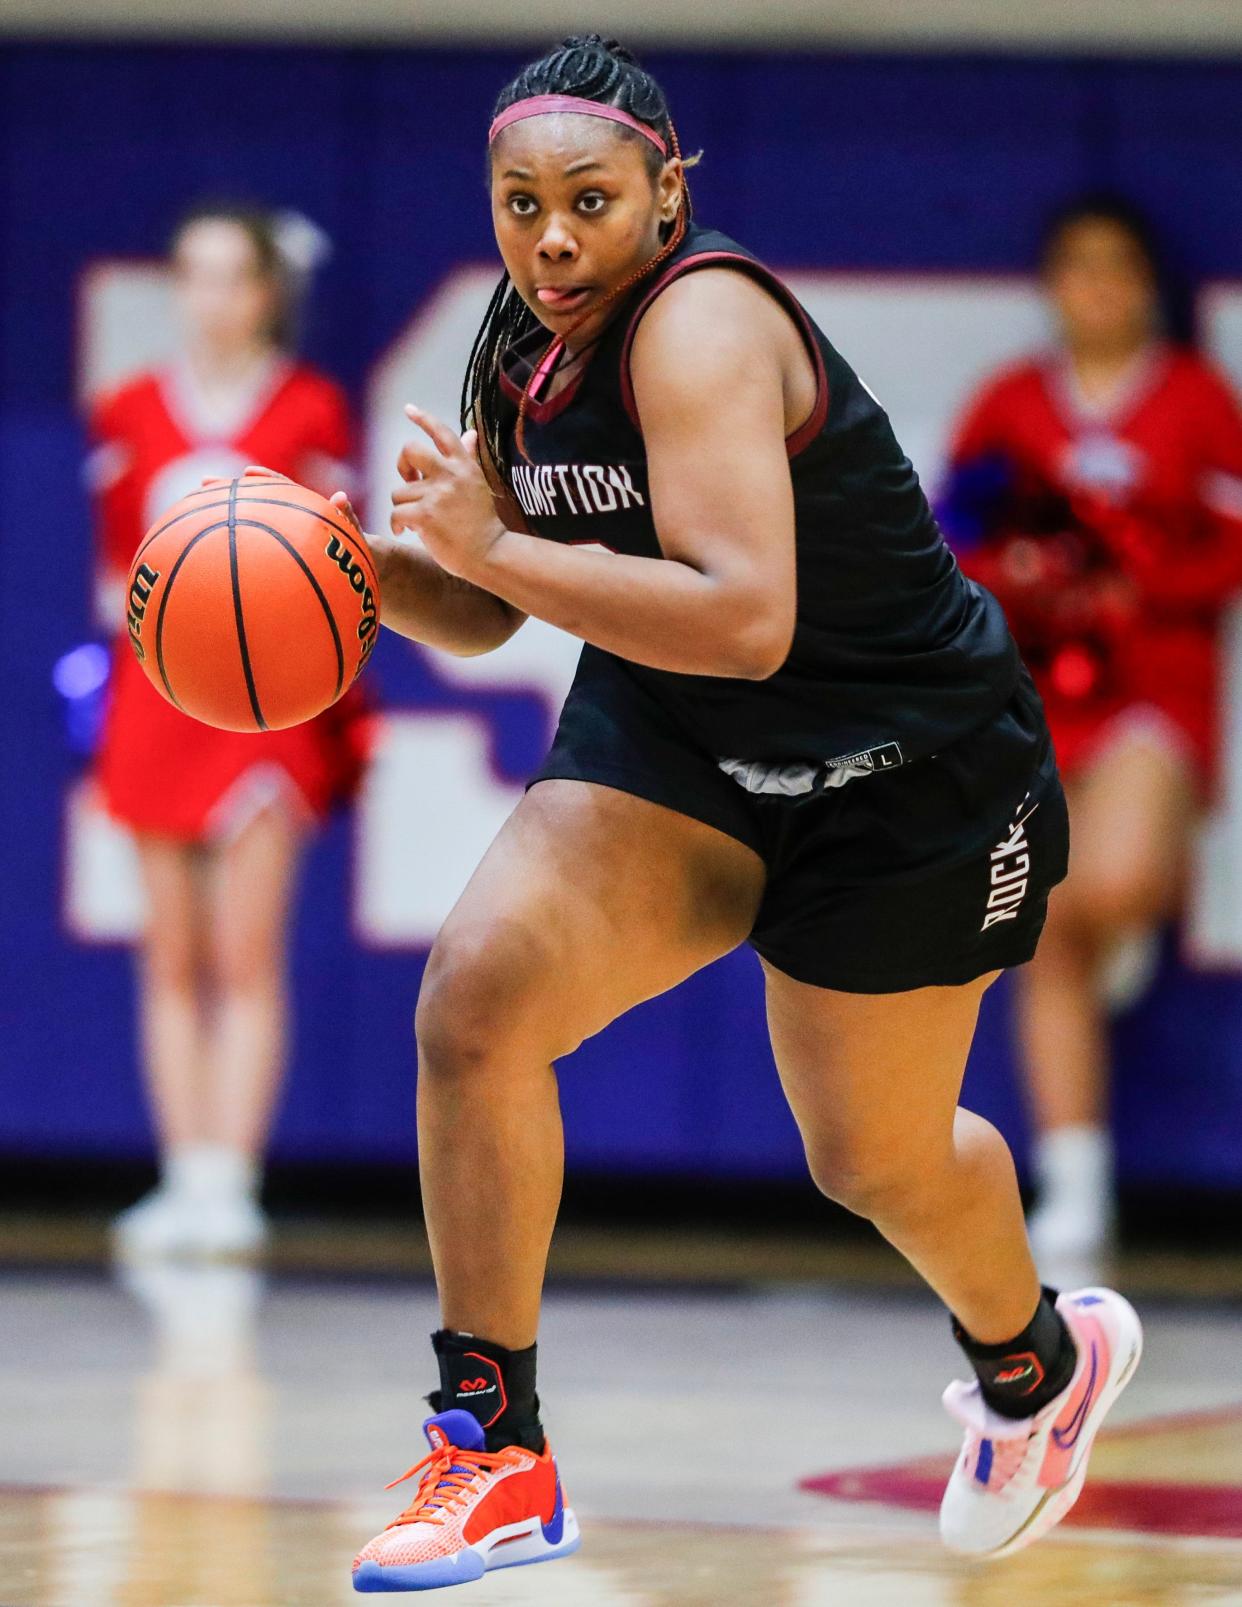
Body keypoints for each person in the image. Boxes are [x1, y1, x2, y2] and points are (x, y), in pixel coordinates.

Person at [335, 38, 1141, 1591]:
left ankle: (1035, 1365)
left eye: (587, 201)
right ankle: (493, 1449)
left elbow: (748, 612)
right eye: (519, 204)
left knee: (873, 1158)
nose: (551, 236)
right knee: (477, 1002)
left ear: (664, 194)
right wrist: (350, 572)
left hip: (901, 774)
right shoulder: (521, 339)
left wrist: (492, 551)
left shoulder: (699, 324)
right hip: (689, 742)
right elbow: (499, 608)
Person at [943, 197, 1242, 1265]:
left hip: (1154, 688)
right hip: (1036, 696)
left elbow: (1227, 547)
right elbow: (953, 533)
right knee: (1044, 928)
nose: (1099, 288)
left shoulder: (1199, 402)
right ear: (1053, 284)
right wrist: (1026, 574)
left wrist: (1133, 577)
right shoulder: (1011, 402)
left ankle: (1125, 925)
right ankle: (1076, 1180)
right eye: (1078, 266)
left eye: (1119, 268)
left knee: (1103, 887)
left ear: (1149, 286)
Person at [90, 202, 371, 1259]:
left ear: (265, 292)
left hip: (266, 711)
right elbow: (113, 576)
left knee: (245, 950)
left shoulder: (308, 410)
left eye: (227, 276)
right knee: (169, 953)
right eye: (189, 275)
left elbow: (340, 579)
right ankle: (181, 1173)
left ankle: (231, 1180)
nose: (207, 297)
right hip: (150, 701)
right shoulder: (126, 410)